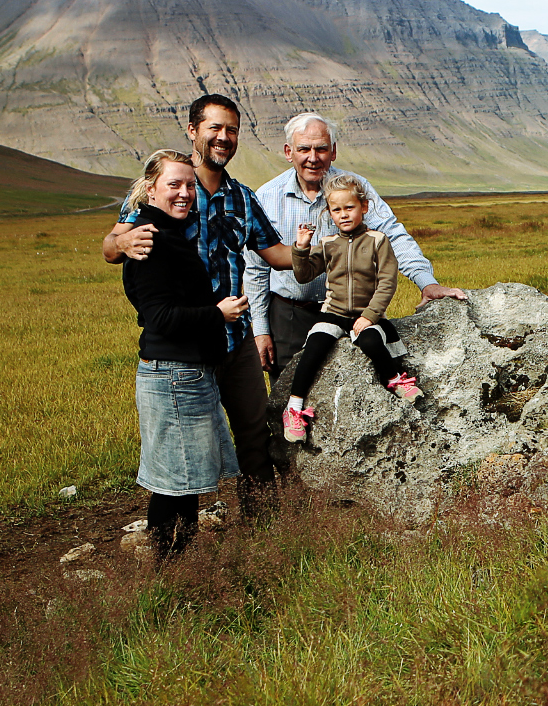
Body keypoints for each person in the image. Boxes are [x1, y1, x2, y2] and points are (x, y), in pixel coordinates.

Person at [105, 95, 293, 497]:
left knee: (254, 435)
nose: (223, 138)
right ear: (193, 131)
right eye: (215, 128)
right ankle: (174, 543)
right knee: (180, 446)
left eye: (232, 130)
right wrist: (121, 245)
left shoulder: (242, 197)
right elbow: (110, 245)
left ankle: (263, 530)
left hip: (234, 338)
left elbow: (277, 255)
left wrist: (335, 249)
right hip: (184, 344)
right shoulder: (164, 191)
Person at [245, 112, 465, 376]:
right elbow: (256, 268)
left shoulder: (357, 188)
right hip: (290, 315)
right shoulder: (267, 197)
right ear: (288, 152)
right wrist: (260, 330)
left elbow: (392, 235)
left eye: (321, 149)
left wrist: (426, 282)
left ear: (334, 151)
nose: (313, 158)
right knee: (291, 393)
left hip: (355, 314)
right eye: (304, 148)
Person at [119, 150, 246, 557]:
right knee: (173, 485)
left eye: (190, 185)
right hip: (174, 375)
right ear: (150, 189)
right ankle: (167, 568)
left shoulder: (168, 232)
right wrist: (217, 313)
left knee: (182, 482)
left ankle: (175, 567)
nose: (185, 193)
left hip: (185, 373)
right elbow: (158, 315)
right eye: (174, 184)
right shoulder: (150, 239)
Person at [279, 173, 423, 441]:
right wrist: (300, 248)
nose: (343, 214)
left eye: (349, 207)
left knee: (370, 342)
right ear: (329, 213)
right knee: (315, 347)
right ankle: (294, 409)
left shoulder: (378, 241)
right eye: (336, 209)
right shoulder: (328, 244)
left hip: (368, 315)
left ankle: (395, 380)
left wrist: (369, 316)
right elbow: (304, 275)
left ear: (363, 207)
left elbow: (387, 283)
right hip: (333, 314)